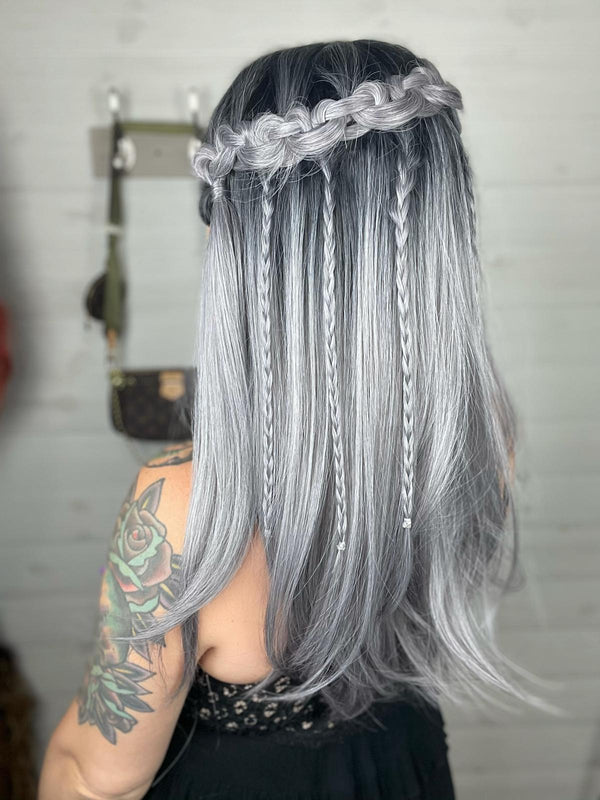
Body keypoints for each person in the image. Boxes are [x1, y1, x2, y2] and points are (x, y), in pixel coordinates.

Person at [39, 38, 544, 799]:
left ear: (237, 250)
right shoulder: (482, 437)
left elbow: (98, 778)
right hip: (402, 771)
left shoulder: (183, 508)